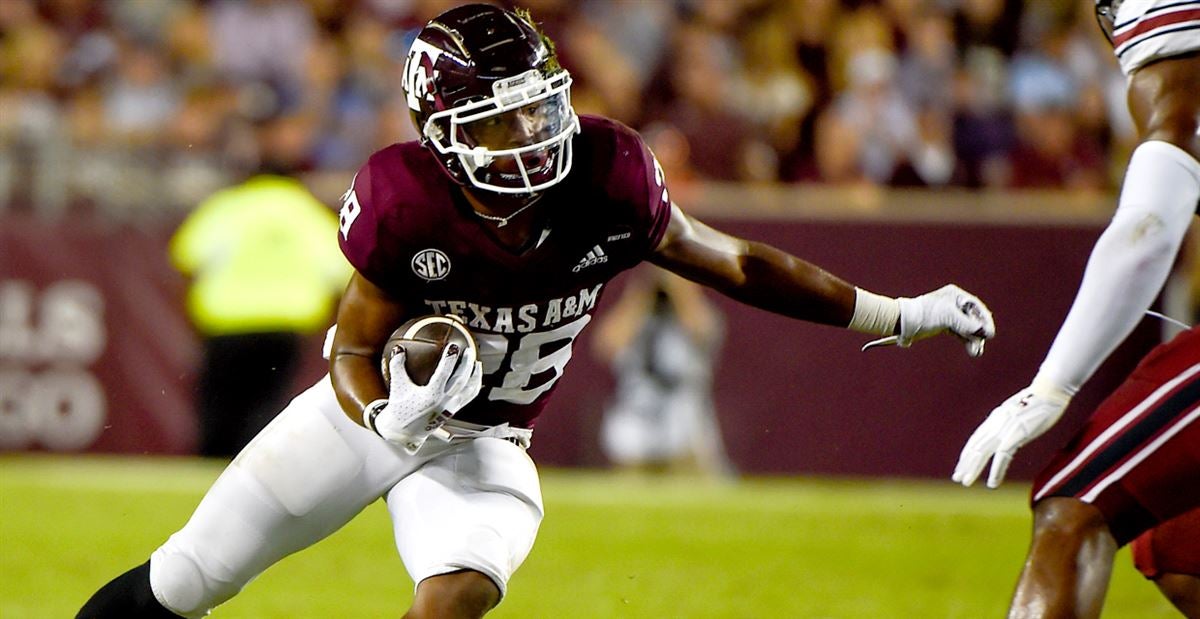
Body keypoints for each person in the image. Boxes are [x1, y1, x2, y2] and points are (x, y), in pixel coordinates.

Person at [77, 5, 995, 618]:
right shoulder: (405, 201)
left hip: (487, 441)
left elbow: (741, 262)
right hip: (370, 420)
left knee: (459, 593)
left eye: (536, 110)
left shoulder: (610, 176)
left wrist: (897, 314)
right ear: (439, 135)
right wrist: (386, 412)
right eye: (494, 123)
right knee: (189, 578)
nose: (528, 139)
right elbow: (355, 348)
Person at [952, 1, 1200, 617]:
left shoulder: (1170, 57)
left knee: (1075, 504)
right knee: (1178, 550)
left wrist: (1053, 385)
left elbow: (1147, 225)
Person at [168, 113, 352, 457]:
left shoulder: (228, 206)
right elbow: (341, 275)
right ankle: (256, 476)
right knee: (265, 411)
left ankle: (209, 476)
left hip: (225, 324)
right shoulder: (305, 211)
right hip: (282, 326)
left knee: (219, 408)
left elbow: (186, 260)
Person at [594, 265, 733, 477]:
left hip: (686, 420)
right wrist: (642, 292)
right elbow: (607, 344)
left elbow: (704, 332)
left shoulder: (694, 314)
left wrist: (680, 287)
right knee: (629, 495)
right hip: (636, 418)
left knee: (698, 491)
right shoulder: (637, 315)